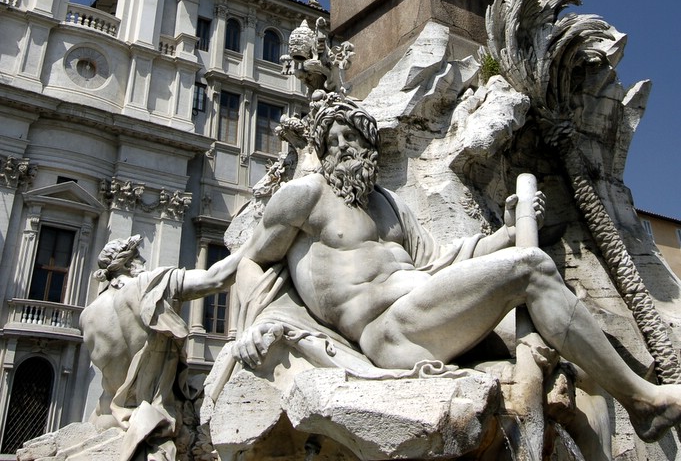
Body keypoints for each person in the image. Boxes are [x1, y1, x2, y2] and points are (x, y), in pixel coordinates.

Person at [232, 97, 681, 444]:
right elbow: (251, 258)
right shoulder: (304, 196)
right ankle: (644, 401)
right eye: (333, 140)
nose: (343, 147)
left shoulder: (390, 205)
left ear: (370, 145)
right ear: (322, 150)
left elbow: (442, 262)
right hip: (388, 333)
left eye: (352, 136)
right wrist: (251, 326)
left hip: (429, 313)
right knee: (531, 268)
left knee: (578, 368)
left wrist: (506, 233)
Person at [80, 234, 238, 461]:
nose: (144, 263)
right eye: (139, 257)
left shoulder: (88, 315)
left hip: (106, 420)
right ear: (127, 263)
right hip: (151, 423)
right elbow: (215, 279)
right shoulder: (150, 287)